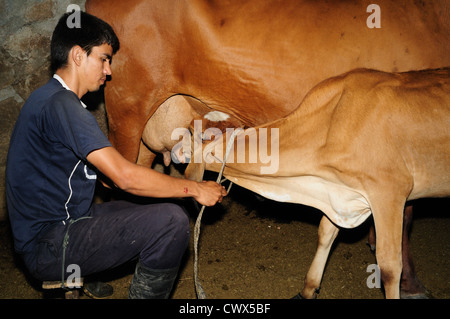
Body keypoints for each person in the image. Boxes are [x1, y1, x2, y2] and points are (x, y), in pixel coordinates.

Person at [5, 11, 226, 299]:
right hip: (50, 243)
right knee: (171, 221)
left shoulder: (46, 98)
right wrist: (194, 188)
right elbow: (123, 177)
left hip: (54, 228)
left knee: (144, 209)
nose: (108, 71)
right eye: (104, 58)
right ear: (77, 55)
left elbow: (108, 179)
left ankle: (74, 278)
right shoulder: (64, 107)